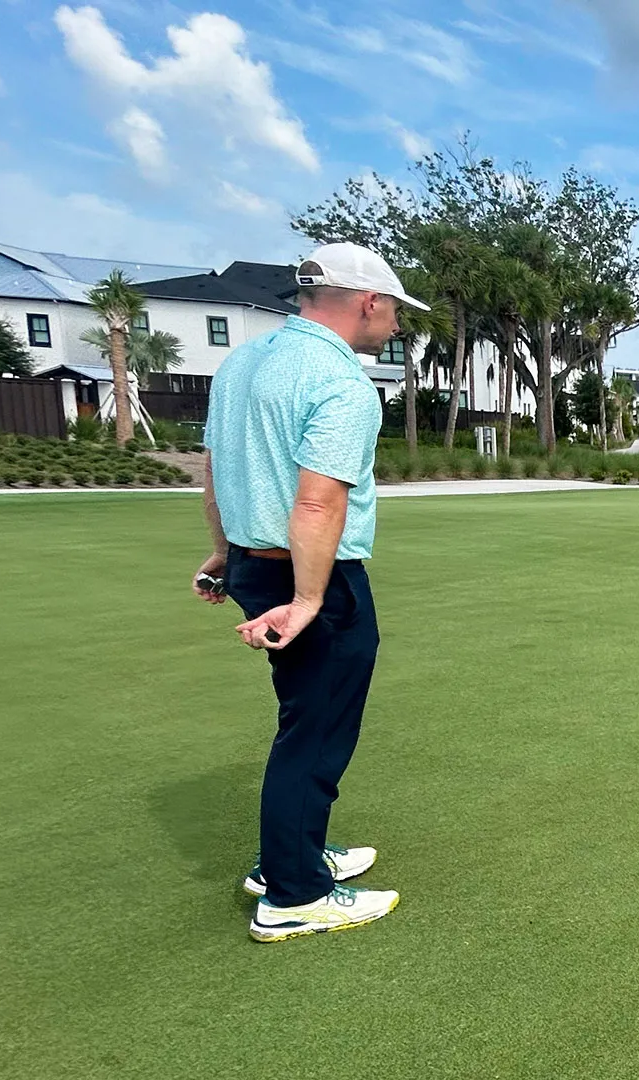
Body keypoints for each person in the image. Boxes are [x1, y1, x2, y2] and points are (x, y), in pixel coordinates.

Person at [191, 243, 428, 943]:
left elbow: (214, 467)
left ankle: (288, 859)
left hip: (251, 561)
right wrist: (309, 598)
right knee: (316, 729)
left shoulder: (244, 362)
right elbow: (318, 505)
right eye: (393, 310)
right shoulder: (340, 381)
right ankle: (293, 895)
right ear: (366, 302)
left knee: (305, 714)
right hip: (307, 574)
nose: (394, 324)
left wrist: (222, 552)